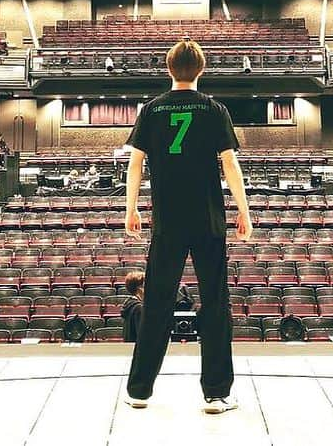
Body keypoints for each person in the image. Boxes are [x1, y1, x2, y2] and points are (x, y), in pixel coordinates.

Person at [121, 39, 252, 415]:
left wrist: (131, 209)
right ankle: (216, 394)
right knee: (214, 304)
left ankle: (140, 390)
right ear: (202, 69)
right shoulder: (214, 109)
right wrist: (244, 211)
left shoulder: (152, 109)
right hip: (208, 220)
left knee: (157, 303)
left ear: (168, 69)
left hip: (167, 221)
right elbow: (230, 166)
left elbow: (135, 165)